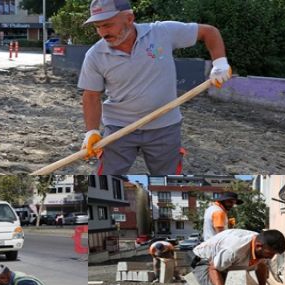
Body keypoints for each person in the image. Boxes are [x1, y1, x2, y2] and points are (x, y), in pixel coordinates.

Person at [78, 0, 232, 175]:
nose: (103, 32)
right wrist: (91, 131)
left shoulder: (161, 33)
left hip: (165, 127)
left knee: (168, 181)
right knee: (106, 180)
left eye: (108, 25)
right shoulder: (95, 55)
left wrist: (220, 63)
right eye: (98, 26)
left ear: (129, 18)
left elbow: (209, 32)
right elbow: (91, 95)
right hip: (118, 129)